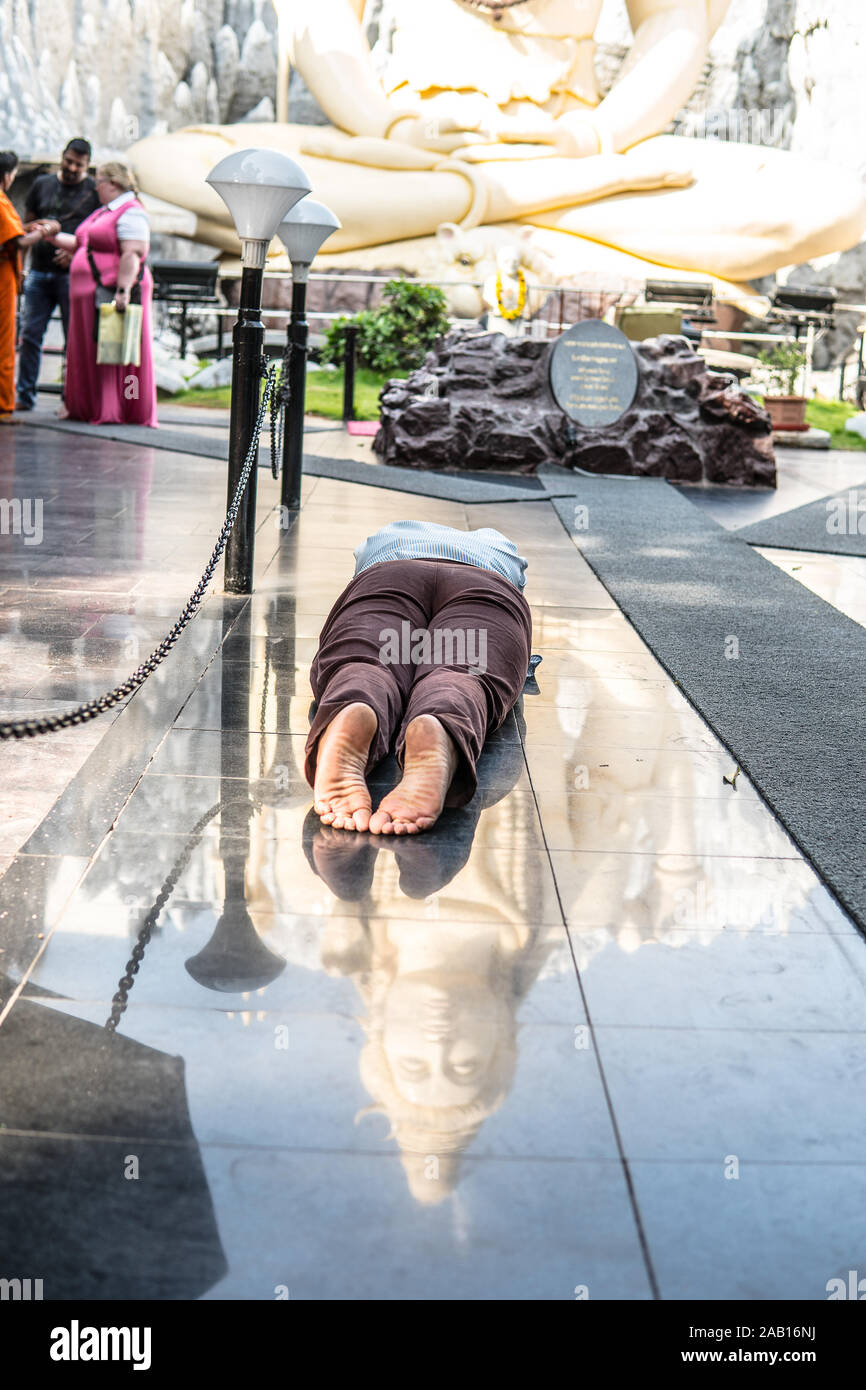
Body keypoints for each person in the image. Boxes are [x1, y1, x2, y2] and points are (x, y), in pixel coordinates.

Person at [306, 519, 532, 834]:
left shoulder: (389, 533)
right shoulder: (499, 544)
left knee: (368, 658)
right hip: (485, 582)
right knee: (461, 671)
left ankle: (357, 700)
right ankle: (441, 722)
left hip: (390, 573)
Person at [42, 160, 156, 427]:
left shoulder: (131, 212)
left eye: (99, 182)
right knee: (96, 350)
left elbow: (133, 253)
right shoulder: (106, 211)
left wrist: (123, 291)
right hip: (92, 295)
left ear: (113, 184)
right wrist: (51, 236)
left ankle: (124, 408)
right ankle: (89, 406)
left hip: (111, 293)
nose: (96, 188)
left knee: (116, 351)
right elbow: (83, 243)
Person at [14, 139, 99, 414]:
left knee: (73, 339)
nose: (72, 168)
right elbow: (24, 228)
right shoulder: (42, 184)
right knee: (29, 335)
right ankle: (25, 395)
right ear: (62, 157)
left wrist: (77, 256)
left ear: (88, 165)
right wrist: (21, 271)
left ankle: (69, 398)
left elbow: (99, 235)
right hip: (39, 271)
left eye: (79, 165)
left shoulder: (94, 191)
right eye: (69, 161)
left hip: (73, 276)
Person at [0, 152, 57, 423]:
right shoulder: (0, 200)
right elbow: (18, 243)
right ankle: (3, 406)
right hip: (2, 278)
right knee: (4, 341)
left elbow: (12, 233)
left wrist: (27, 227)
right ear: (8, 175)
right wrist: (45, 231)